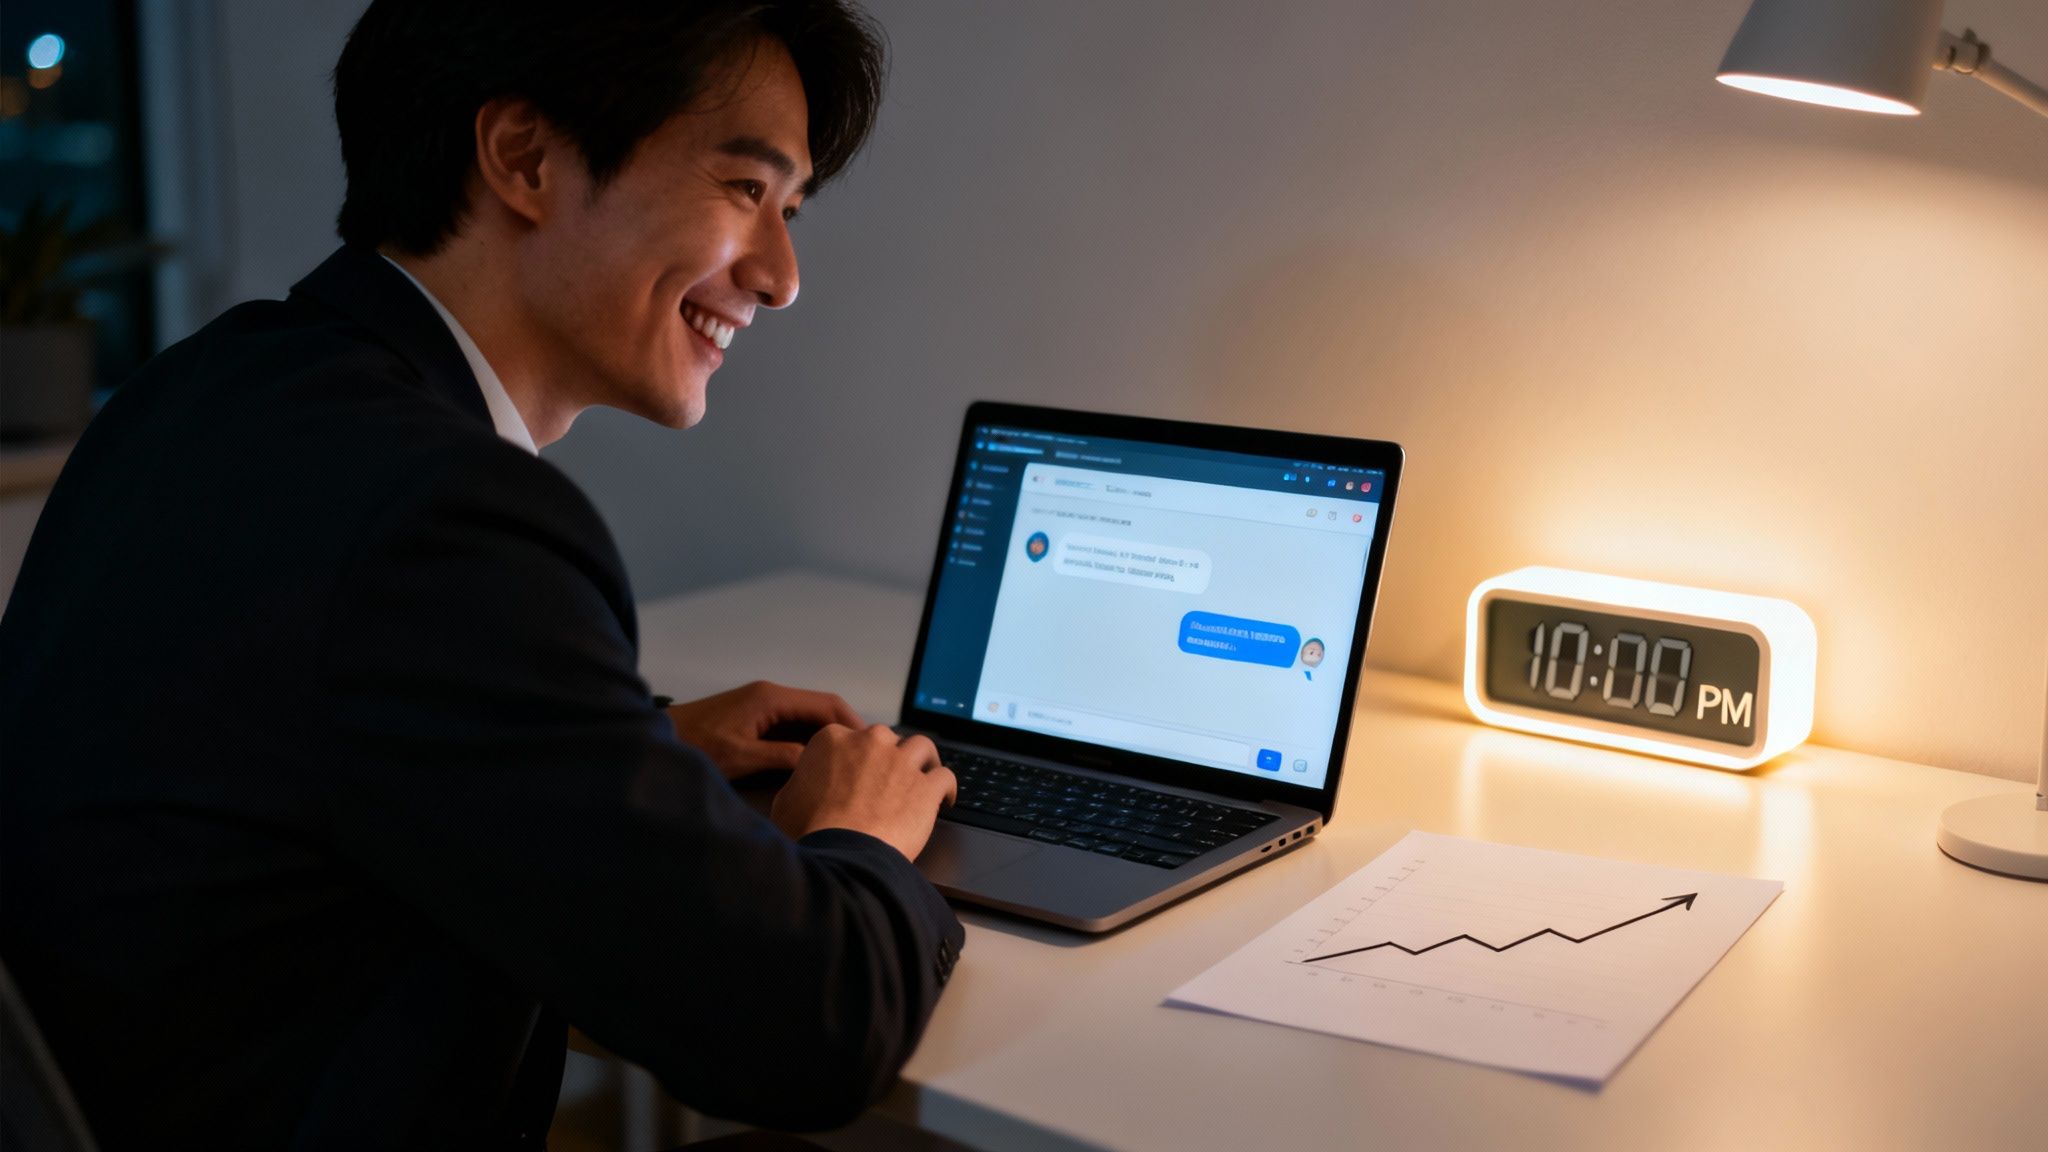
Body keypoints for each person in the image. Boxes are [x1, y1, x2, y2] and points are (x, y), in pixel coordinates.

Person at [0, 2, 963, 1147]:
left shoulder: (211, 386)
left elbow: (300, 726)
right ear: (524, 159)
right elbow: (808, 1032)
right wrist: (861, 833)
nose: (781, 275)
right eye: (745, 192)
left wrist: (630, 747)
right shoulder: (448, 519)